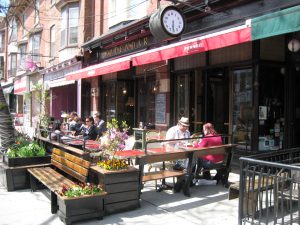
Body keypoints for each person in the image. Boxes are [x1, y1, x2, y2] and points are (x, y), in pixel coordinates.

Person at [165, 117, 191, 196]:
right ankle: (184, 185)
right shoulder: (172, 130)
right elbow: (167, 142)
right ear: (179, 124)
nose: (185, 128)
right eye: (183, 126)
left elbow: (188, 142)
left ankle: (179, 184)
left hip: (185, 154)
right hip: (173, 154)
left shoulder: (187, 132)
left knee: (192, 162)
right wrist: (178, 141)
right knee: (187, 166)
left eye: (186, 126)